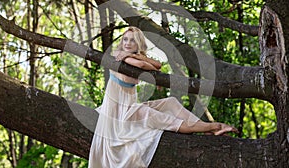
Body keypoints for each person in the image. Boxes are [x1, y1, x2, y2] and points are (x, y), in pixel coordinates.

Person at [88, 27, 238, 168]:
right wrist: (133, 57)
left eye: (132, 40)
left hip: (131, 107)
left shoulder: (130, 56)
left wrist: (134, 55)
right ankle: (216, 126)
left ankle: (203, 127)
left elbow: (158, 64)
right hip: (121, 115)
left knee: (170, 102)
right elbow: (141, 65)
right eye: (125, 39)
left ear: (138, 43)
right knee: (171, 122)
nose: (127, 43)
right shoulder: (117, 55)